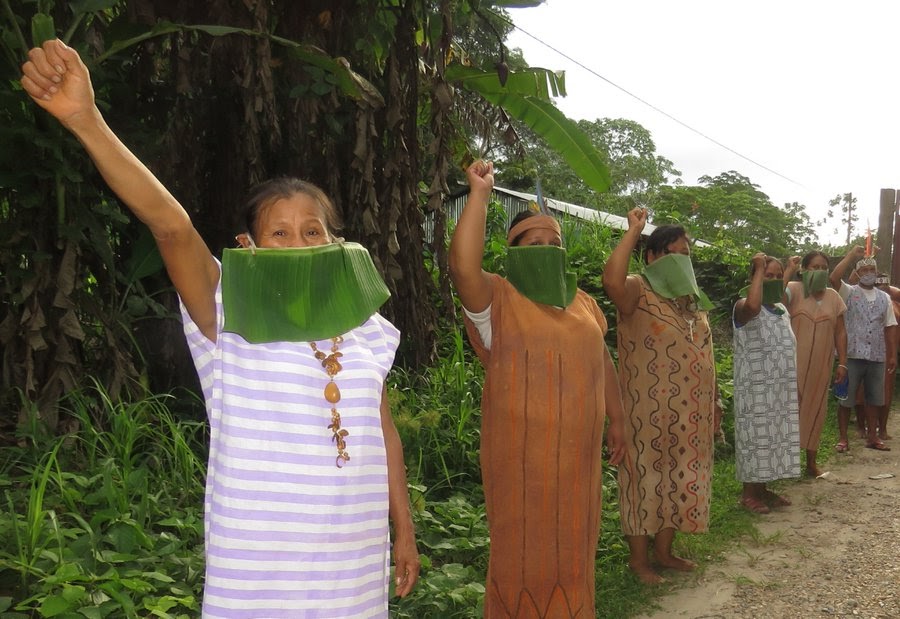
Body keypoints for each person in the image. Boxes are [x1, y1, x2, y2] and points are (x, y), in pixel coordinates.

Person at [21, 39, 419, 617]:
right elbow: (171, 226)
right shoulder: (226, 311)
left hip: (351, 559)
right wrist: (85, 118)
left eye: (314, 230)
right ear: (248, 249)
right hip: (258, 567)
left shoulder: (367, 329)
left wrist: (401, 530)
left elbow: (384, 436)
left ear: (338, 244)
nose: (300, 241)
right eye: (278, 232)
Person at [448, 160, 627, 617]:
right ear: (512, 252)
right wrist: (480, 196)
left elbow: (602, 359)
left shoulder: (583, 302)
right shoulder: (498, 299)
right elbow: (463, 269)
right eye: (534, 243)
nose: (547, 249)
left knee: (574, 551)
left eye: (555, 243)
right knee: (522, 557)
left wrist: (618, 419)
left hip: (578, 463)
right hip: (521, 465)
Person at [601, 207, 718, 585]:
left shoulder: (693, 302)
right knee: (643, 480)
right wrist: (634, 229)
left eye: (686, 254)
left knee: (678, 479)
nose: (682, 260)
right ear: (652, 257)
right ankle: (639, 560)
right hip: (643, 413)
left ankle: (665, 552)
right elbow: (610, 281)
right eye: (673, 252)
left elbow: (708, 357)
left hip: (690, 416)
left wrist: (714, 404)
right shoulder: (637, 287)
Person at [732, 253, 801, 514]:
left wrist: (789, 270)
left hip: (779, 388)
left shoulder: (781, 309)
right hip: (756, 389)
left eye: (775, 275)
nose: (772, 280)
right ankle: (749, 493)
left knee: (774, 438)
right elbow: (752, 307)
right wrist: (760, 269)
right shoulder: (743, 306)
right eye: (765, 275)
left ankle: (763, 489)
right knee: (756, 438)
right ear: (753, 278)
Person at [783, 252, 847, 475]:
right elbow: (774, 302)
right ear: (804, 270)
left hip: (822, 365)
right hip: (791, 364)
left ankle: (811, 463)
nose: (819, 271)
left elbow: (840, 332)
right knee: (789, 410)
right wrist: (788, 271)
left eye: (823, 267)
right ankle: (785, 463)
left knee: (816, 409)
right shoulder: (794, 289)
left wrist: (843, 363)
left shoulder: (834, 297)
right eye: (814, 267)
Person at [829, 247, 897, 452]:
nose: (869, 273)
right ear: (858, 273)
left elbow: (890, 326)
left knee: (875, 398)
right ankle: (843, 438)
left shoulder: (884, 298)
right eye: (864, 269)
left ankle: (873, 436)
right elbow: (833, 278)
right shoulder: (849, 292)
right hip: (851, 354)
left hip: (877, 355)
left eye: (872, 269)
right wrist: (851, 255)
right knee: (846, 398)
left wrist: (892, 354)